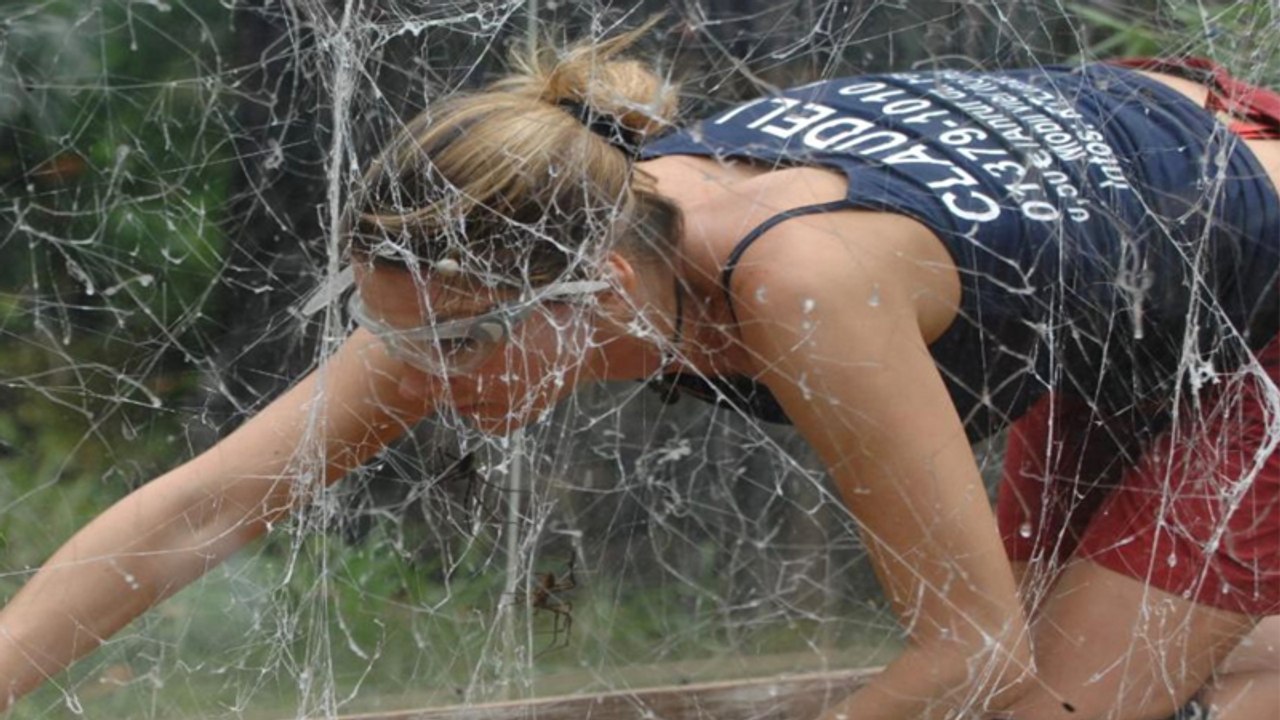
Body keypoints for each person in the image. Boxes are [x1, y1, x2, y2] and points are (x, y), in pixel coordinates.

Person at [2, 26, 1278, 720]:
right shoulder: (515, 243)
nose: (413, 377)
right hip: (1133, 241)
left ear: (597, 290)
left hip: (1246, 268)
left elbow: (965, 658)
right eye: (378, 328)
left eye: (448, 346)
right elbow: (202, 506)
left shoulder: (806, 287)